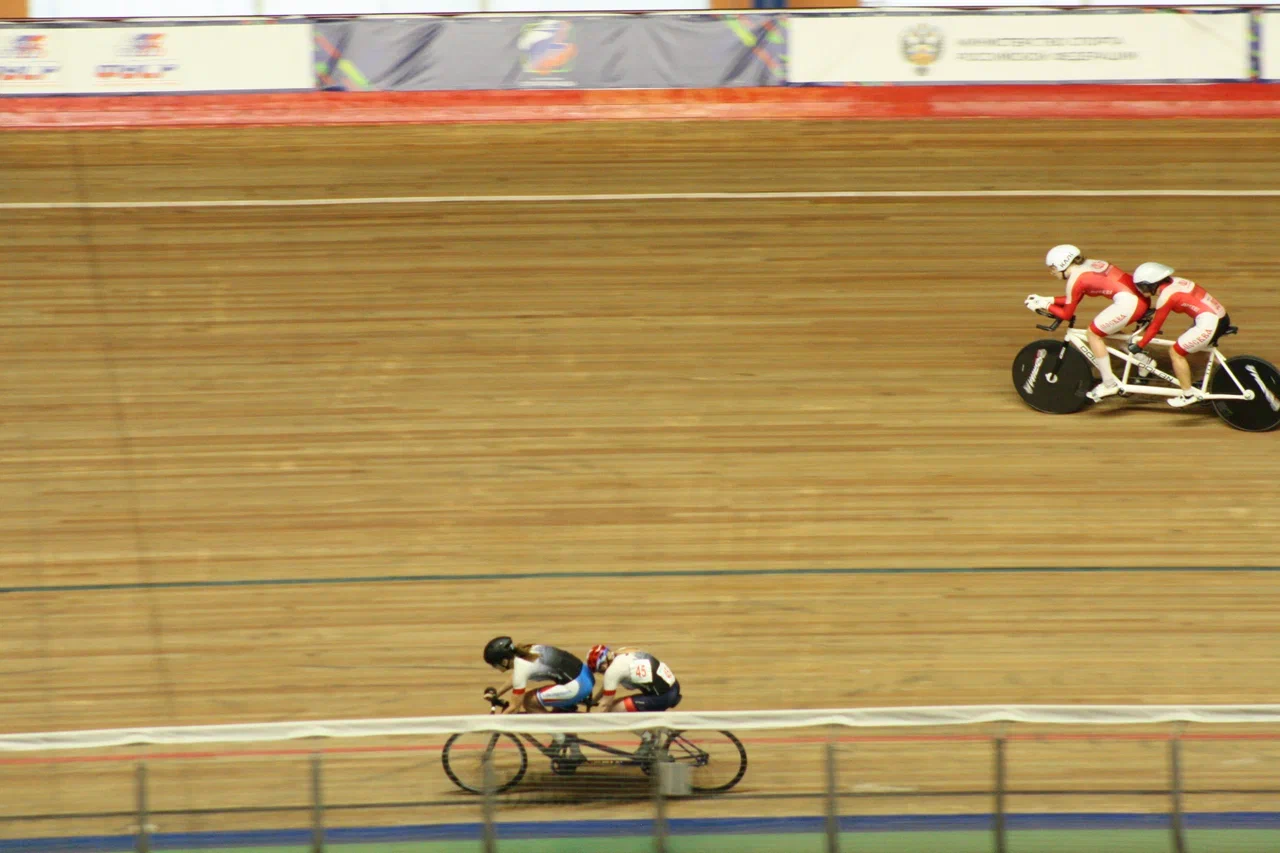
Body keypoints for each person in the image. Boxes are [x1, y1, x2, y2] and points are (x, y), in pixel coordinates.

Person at [1025, 244, 1149, 402]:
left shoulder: (1075, 280)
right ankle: (1143, 360)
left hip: (1130, 303)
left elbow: (1067, 313)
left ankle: (1109, 384)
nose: (1051, 272)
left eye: (1053, 268)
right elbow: (1074, 298)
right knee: (1105, 330)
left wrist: (1045, 306)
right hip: (1137, 297)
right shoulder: (1088, 265)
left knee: (1093, 333)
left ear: (1063, 264)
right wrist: (1047, 300)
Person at [1126, 262, 1230, 408]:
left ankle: (1188, 394)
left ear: (1152, 284)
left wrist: (1140, 345)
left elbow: (1155, 327)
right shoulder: (1178, 281)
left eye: (1142, 286)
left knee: (1176, 352)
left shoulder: (1166, 296)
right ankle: (1221, 375)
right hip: (1220, 316)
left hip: (1209, 321)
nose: (1141, 290)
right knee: (1198, 348)